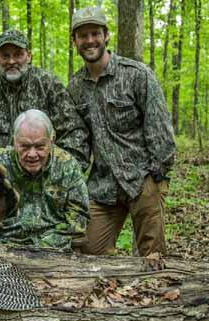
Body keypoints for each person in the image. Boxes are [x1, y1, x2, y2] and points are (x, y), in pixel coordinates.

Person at [67, 7, 176, 257]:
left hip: (142, 178)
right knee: (87, 253)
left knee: (152, 259)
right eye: (82, 36)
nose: (90, 40)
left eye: (95, 33)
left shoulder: (136, 74)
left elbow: (160, 130)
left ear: (106, 36)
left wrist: (157, 177)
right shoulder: (74, 87)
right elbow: (78, 141)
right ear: (74, 41)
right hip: (102, 185)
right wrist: (70, 178)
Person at [0, 29, 89, 168]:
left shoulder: (46, 83)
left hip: (40, 174)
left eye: (18, 55)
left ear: (29, 56)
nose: (11, 61)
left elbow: (74, 132)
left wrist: (61, 171)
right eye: (5, 56)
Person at [0, 109, 89, 250]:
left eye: (40, 147)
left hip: (54, 248)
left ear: (51, 141)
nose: (32, 154)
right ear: (15, 141)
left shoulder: (67, 166)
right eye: (25, 146)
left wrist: (46, 245)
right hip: (4, 246)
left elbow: (79, 215)